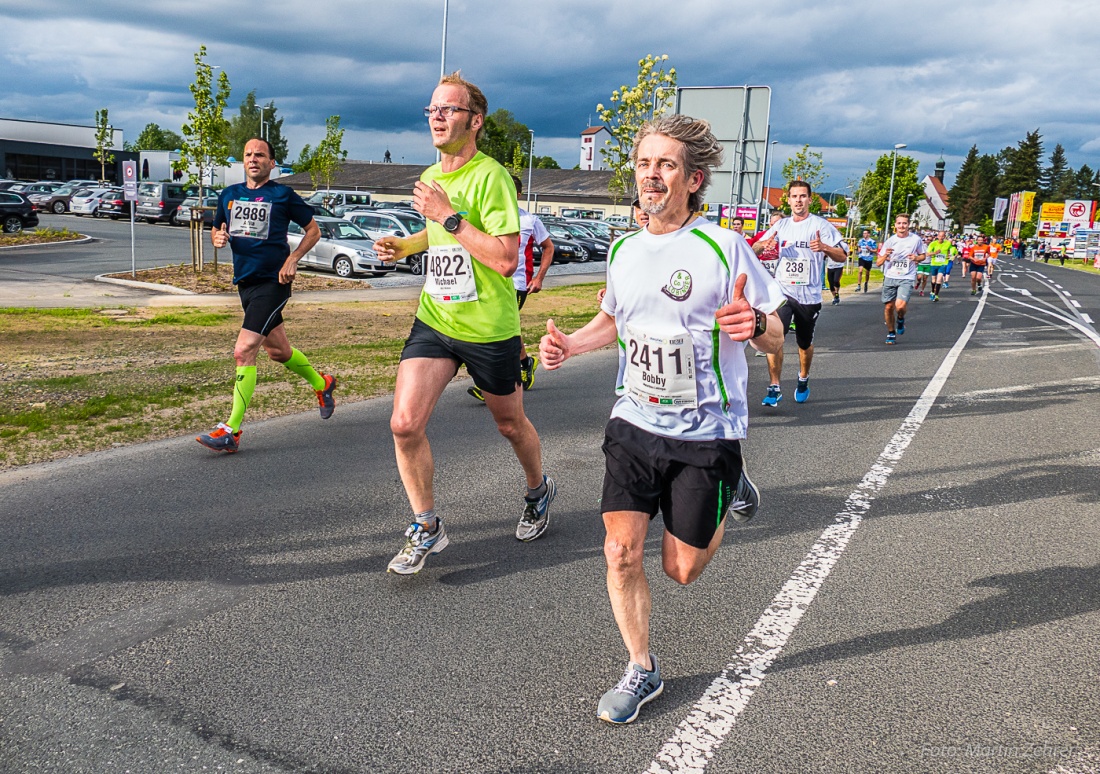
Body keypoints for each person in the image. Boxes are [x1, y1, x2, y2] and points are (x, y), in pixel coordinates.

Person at [539, 114, 785, 725]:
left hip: (707, 432)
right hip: (634, 421)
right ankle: (641, 667)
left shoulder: (722, 247)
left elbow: (778, 333)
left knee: (682, 570)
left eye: (666, 164)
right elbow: (614, 322)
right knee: (620, 551)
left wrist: (754, 327)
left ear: (693, 178)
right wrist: (571, 343)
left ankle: (731, 488)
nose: (651, 174)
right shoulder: (622, 249)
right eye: (645, 163)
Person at [372, 71, 556, 574]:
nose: (437, 116)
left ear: (474, 121)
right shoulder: (432, 177)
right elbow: (438, 239)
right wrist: (403, 246)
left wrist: (449, 215)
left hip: (489, 327)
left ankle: (539, 490)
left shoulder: (491, 176)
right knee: (404, 424)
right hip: (435, 317)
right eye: (431, 108)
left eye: (448, 109)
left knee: (509, 423)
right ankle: (427, 525)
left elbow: (502, 258)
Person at [196, 137, 336, 453]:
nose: (253, 158)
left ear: (272, 163)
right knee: (278, 352)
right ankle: (323, 384)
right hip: (245, 283)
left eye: (260, 154)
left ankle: (230, 430)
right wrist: (216, 237)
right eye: (248, 154)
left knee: (244, 350)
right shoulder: (229, 195)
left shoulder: (283, 195)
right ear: (243, 161)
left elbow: (313, 231)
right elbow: (217, 228)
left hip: (273, 283)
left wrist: (292, 258)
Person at [751, 180, 847, 405]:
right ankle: (774, 386)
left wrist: (825, 248)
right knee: (774, 339)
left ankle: (803, 377)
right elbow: (755, 247)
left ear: (810, 199)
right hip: (782, 293)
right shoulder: (781, 226)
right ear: (789, 200)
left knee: (804, 344)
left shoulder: (821, 225)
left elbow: (842, 256)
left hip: (809, 296)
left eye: (803, 196)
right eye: (794, 196)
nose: (798, 200)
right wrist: (761, 247)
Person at [468, 175, 554, 401]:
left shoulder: (529, 220)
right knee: (502, 329)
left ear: (517, 195)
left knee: (498, 330)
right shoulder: (488, 217)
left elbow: (548, 248)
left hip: (516, 284)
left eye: (508, 190)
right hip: (489, 282)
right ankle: (524, 364)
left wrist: (539, 278)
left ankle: (491, 383)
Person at [875, 213, 926, 344]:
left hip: (907, 276)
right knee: (888, 307)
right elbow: (879, 262)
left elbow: (923, 256)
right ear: (895, 225)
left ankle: (901, 318)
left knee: (900, 306)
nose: (902, 226)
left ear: (908, 225)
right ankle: (891, 333)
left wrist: (916, 258)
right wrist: (885, 254)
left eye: (904, 223)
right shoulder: (890, 241)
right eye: (899, 223)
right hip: (890, 276)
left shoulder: (915, 240)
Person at [926, 230, 956, 301]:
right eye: (940, 236)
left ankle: (936, 295)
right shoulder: (933, 244)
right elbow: (927, 254)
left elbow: (952, 250)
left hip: (943, 263)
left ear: (945, 236)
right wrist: (935, 253)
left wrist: (950, 255)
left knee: (939, 279)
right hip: (934, 263)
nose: (941, 237)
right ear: (937, 236)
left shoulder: (948, 243)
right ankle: (933, 291)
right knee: (933, 280)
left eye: (943, 236)